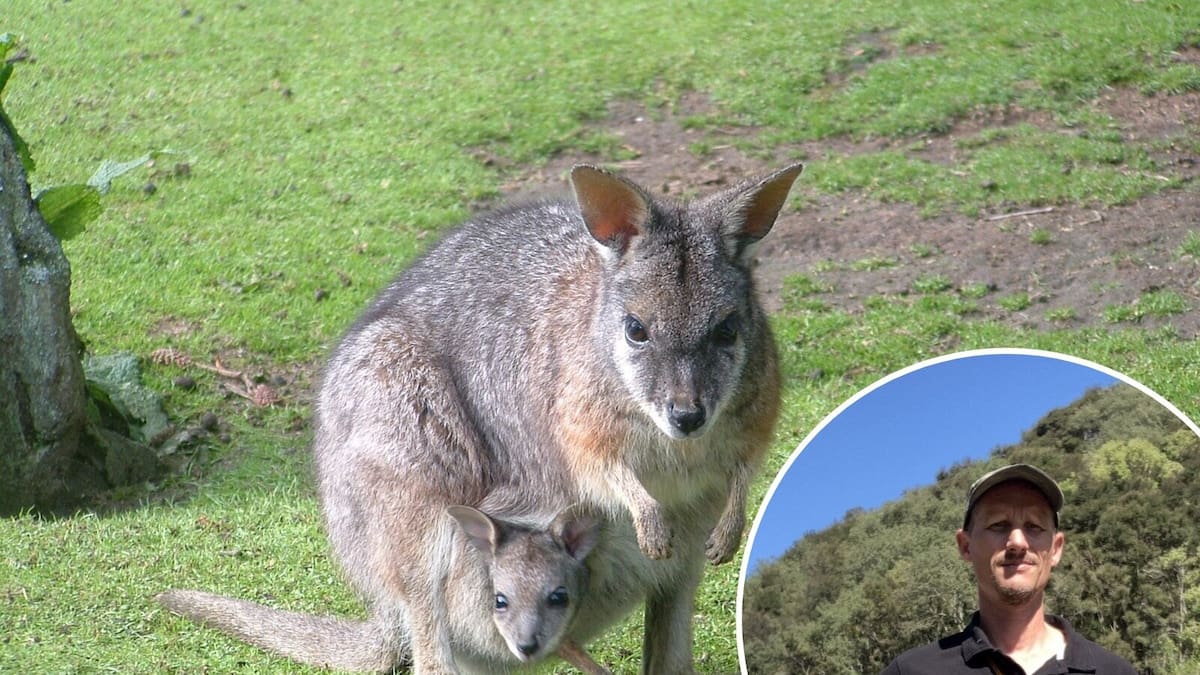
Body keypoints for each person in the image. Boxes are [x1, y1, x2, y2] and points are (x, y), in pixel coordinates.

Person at [880, 463, 1138, 674]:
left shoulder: (1115, 671)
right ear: (966, 546)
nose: (1017, 542)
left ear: (1056, 549)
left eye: (1034, 526)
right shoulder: (912, 671)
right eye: (998, 525)